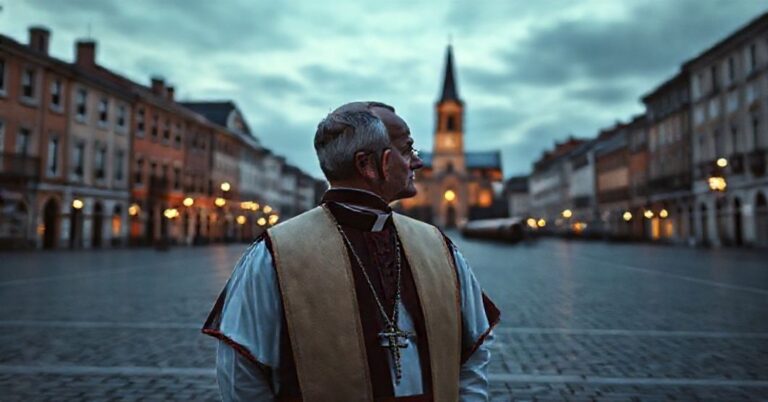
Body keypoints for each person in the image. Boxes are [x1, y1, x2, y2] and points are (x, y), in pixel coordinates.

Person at [203, 101, 500, 401]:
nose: (418, 162)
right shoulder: (276, 254)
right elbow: (243, 376)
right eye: (407, 148)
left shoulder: (438, 247)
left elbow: (472, 354)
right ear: (369, 165)